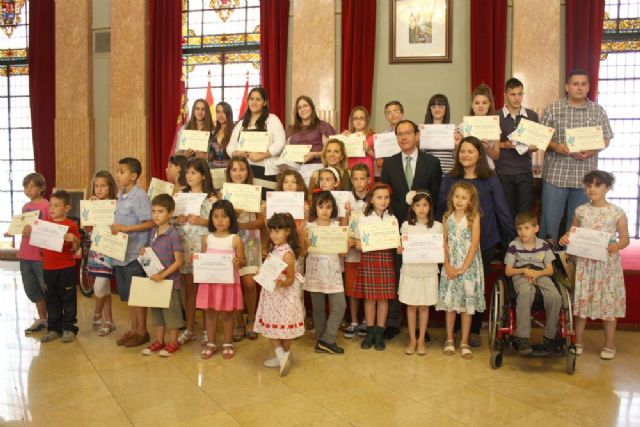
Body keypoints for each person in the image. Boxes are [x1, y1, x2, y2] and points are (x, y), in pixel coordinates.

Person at [437, 137, 515, 347]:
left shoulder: (490, 179)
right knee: (454, 285)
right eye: (462, 151)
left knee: (475, 286)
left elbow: (501, 209)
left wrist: (513, 236)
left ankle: (473, 330)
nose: (465, 155)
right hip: (453, 243)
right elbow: (441, 210)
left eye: (470, 151)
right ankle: (451, 334)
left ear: (479, 154)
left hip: (484, 240)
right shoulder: (449, 179)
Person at [381, 119, 442, 340]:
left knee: (420, 274)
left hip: (424, 229)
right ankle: (394, 321)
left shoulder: (431, 162)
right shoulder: (389, 163)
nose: (404, 137)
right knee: (399, 273)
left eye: (408, 133)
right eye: (400, 134)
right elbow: (385, 196)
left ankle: (419, 327)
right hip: (398, 228)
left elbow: (436, 195)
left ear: (417, 135)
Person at [560, 171, 629, 360]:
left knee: (608, 305)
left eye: (597, 185)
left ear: (607, 188)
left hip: (607, 265)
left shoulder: (617, 212)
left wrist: (615, 246)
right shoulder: (580, 211)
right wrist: (566, 238)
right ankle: (578, 341)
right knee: (581, 303)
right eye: (589, 185)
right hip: (585, 265)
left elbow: (625, 238)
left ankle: (609, 344)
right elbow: (572, 232)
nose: (592, 189)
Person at [540, 70, 614, 241]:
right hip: (556, 175)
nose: (579, 88)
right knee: (549, 221)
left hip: (585, 178)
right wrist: (557, 147)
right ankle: (548, 263)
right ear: (567, 87)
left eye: (583, 84)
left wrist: (592, 151)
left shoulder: (598, 111)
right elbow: (541, 137)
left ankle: (572, 262)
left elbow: (606, 138)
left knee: (579, 225)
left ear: (588, 87)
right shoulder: (553, 108)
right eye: (575, 84)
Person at [437, 182, 484, 359]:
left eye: (464, 197)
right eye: (456, 196)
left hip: (468, 266)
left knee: (466, 307)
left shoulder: (474, 217)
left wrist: (464, 267)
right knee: (450, 305)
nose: (459, 200)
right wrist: (447, 265)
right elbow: (444, 243)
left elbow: (474, 244)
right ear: (451, 198)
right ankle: (449, 339)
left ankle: (464, 341)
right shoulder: (447, 217)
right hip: (450, 265)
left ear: (470, 201)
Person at [254, 213, 305, 376]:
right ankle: (281, 355)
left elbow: (290, 279)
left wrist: (281, 282)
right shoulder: (274, 249)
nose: (274, 235)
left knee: (285, 327)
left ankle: (283, 355)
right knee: (271, 326)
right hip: (271, 295)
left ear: (288, 231)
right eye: (272, 231)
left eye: (278, 231)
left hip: (284, 297)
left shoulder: (287, 254)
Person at [505, 211, 562, 355]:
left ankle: (550, 336)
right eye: (519, 229)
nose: (522, 232)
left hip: (540, 274)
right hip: (520, 274)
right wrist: (524, 271)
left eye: (526, 228)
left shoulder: (543, 245)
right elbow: (508, 271)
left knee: (555, 296)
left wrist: (537, 273)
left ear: (536, 228)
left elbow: (549, 270)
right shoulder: (514, 245)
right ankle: (522, 337)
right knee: (525, 293)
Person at [112, 157, 154, 348]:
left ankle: (142, 331)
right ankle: (134, 329)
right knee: (129, 296)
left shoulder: (141, 196)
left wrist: (127, 229)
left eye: (122, 172)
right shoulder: (121, 195)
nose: (118, 175)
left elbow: (150, 222)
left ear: (134, 176)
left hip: (136, 254)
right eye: (118, 171)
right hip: (121, 253)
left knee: (138, 295)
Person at [175, 158, 216, 347]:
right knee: (188, 290)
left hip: (204, 248)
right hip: (184, 247)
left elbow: (221, 224)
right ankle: (190, 328)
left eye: (193, 172)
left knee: (206, 291)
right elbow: (171, 221)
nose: (189, 176)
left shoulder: (212, 199)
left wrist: (203, 221)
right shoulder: (180, 197)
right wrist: (178, 219)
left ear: (203, 175)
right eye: (187, 172)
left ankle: (208, 330)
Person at [197, 200, 246, 360]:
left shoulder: (235, 239)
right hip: (210, 283)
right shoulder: (206, 238)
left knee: (226, 314)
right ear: (211, 219)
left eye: (224, 217)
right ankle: (211, 343)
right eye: (216, 216)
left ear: (231, 218)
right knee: (210, 313)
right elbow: (202, 258)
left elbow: (243, 260)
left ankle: (227, 342)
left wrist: (238, 262)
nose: (219, 220)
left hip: (227, 284)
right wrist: (197, 260)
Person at [352, 183, 398, 351]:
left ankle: (380, 332)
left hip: (385, 260)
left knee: (383, 299)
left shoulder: (392, 219)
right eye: (379, 197)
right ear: (371, 199)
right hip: (369, 260)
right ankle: (370, 332)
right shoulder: (364, 219)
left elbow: (396, 243)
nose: (383, 201)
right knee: (370, 298)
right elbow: (357, 241)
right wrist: (358, 243)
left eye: (386, 197)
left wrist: (400, 246)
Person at [397, 190, 442, 356]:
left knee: (424, 306)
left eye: (425, 205)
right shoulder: (406, 226)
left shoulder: (437, 227)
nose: (421, 208)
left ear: (430, 207)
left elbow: (440, 250)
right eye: (418, 205)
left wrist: (443, 249)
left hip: (428, 272)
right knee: (411, 306)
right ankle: (412, 339)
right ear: (412, 207)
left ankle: (422, 339)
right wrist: (401, 249)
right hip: (410, 271)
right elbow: (402, 247)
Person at [140, 194, 184, 357]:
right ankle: (159, 341)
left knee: (171, 315)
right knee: (157, 314)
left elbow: (178, 261)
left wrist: (163, 275)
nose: (156, 215)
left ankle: (173, 342)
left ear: (170, 213)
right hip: (155, 281)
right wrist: (144, 254)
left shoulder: (173, 234)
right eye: (154, 211)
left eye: (161, 211)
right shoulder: (153, 231)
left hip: (169, 282)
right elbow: (152, 254)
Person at [304, 191, 347, 355]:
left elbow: (343, 253)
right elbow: (302, 251)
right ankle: (321, 340)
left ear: (333, 209)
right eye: (321, 206)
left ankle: (327, 339)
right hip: (315, 273)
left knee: (340, 306)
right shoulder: (309, 227)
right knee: (318, 309)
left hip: (333, 273)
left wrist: (346, 243)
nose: (324, 210)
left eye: (328, 207)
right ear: (315, 208)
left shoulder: (337, 228)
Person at [225, 156, 263, 340]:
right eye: (234, 170)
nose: (238, 173)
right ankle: (239, 322)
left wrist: (243, 226)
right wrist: (233, 215)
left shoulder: (254, 192)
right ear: (229, 172)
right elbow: (217, 221)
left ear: (248, 172)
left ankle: (252, 319)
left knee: (249, 283)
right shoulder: (223, 194)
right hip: (229, 241)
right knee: (234, 283)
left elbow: (261, 221)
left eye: (242, 169)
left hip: (250, 241)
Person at [38, 190, 81, 343]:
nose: (52, 209)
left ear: (67, 208)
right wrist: (30, 231)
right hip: (48, 269)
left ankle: (69, 328)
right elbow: (38, 243)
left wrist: (75, 239)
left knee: (68, 299)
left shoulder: (70, 225)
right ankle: (54, 328)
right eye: (51, 205)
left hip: (66, 268)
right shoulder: (45, 224)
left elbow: (76, 247)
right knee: (51, 299)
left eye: (57, 206)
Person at [9, 173, 49, 334]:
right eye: (26, 186)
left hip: (40, 255)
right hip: (25, 254)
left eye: (32, 186)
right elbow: (22, 227)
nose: (28, 189)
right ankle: (42, 319)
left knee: (46, 287)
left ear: (41, 188)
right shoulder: (26, 207)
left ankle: (54, 319)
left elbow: (48, 229)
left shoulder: (46, 206)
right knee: (31, 288)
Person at [227, 87, 286, 193]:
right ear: (248, 101)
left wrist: (263, 155)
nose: (254, 102)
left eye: (258, 99)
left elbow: (280, 143)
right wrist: (236, 153)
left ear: (264, 103)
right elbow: (230, 147)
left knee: (265, 203)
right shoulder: (241, 123)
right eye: (251, 99)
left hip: (267, 171)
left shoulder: (272, 119)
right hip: (245, 172)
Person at [496, 78, 540, 219]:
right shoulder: (496, 116)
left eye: (520, 94)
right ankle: (508, 242)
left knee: (524, 212)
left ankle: (523, 241)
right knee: (506, 212)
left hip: (525, 171)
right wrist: (505, 144)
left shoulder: (532, 115)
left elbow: (537, 143)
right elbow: (489, 144)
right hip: (504, 171)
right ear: (505, 95)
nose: (516, 98)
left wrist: (534, 147)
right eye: (512, 94)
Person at [86, 171, 118, 337]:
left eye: (103, 185)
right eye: (96, 186)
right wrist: (90, 210)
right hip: (96, 248)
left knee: (99, 285)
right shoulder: (92, 203)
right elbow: (88, 228)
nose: (99, 189)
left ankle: (97, 312)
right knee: (104, 287)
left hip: (110, 250)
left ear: (110, 187)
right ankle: (109, 322)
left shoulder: (116, 204)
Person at [343, 163, 370, 339]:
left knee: (368, 287)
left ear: (369, 180)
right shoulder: (346, 200)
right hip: (351, 251)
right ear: (351, 180)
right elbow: (343, 225)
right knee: (352, 288)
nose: (359, 183)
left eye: (362, 178)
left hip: (368, 252)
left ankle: (367, 321)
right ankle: (353, 321)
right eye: (355, 179)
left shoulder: (375, 199)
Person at [286, 95, 335, 164]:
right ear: (297, 112)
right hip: (294, 166)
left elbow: (330, 151)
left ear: (312, 107)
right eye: (299, 108)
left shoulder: (323, 126)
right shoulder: (291, 128)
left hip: (316, 165)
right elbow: (286, 150)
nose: (303, 109)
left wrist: (315, 154)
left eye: (305, 106)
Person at [463, 84, 500, 168]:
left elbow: (496, 156)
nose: (480, 106)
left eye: (484, 102)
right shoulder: (463, 126)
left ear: (489, 104)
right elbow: (458, 153)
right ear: (472, 105)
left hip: (488, 169)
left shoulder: (495, 126)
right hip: (468, 170)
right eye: (477, 103)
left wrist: (486, 148)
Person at [422, 94, 461, 174]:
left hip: (448, 172)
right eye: (433, 107)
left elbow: (457, 155)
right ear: (430, 109)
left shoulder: (454, 129)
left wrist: (457, 145)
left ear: (446, 108)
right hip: (428, 172)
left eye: (440, 106)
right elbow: (420, 154)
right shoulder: (423, 129)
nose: (437, 110)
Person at [343, 106, 376, 184]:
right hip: (351, 170)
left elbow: (380, 160)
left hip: (367, 171)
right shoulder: (347, 136)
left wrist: (369, 150)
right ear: (352, 121)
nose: (358, 121)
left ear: (366, 120)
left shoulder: (373, 136)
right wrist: (344, 139)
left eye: (361, 118)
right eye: (355, 118)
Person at [209, 101, 234, 170]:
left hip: (230, 170)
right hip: (213, 169)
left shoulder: (235, 131)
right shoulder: (214, 132)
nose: (220, 115)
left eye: (224, 112)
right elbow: (211, 154)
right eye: (218, 112)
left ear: (229, 114)